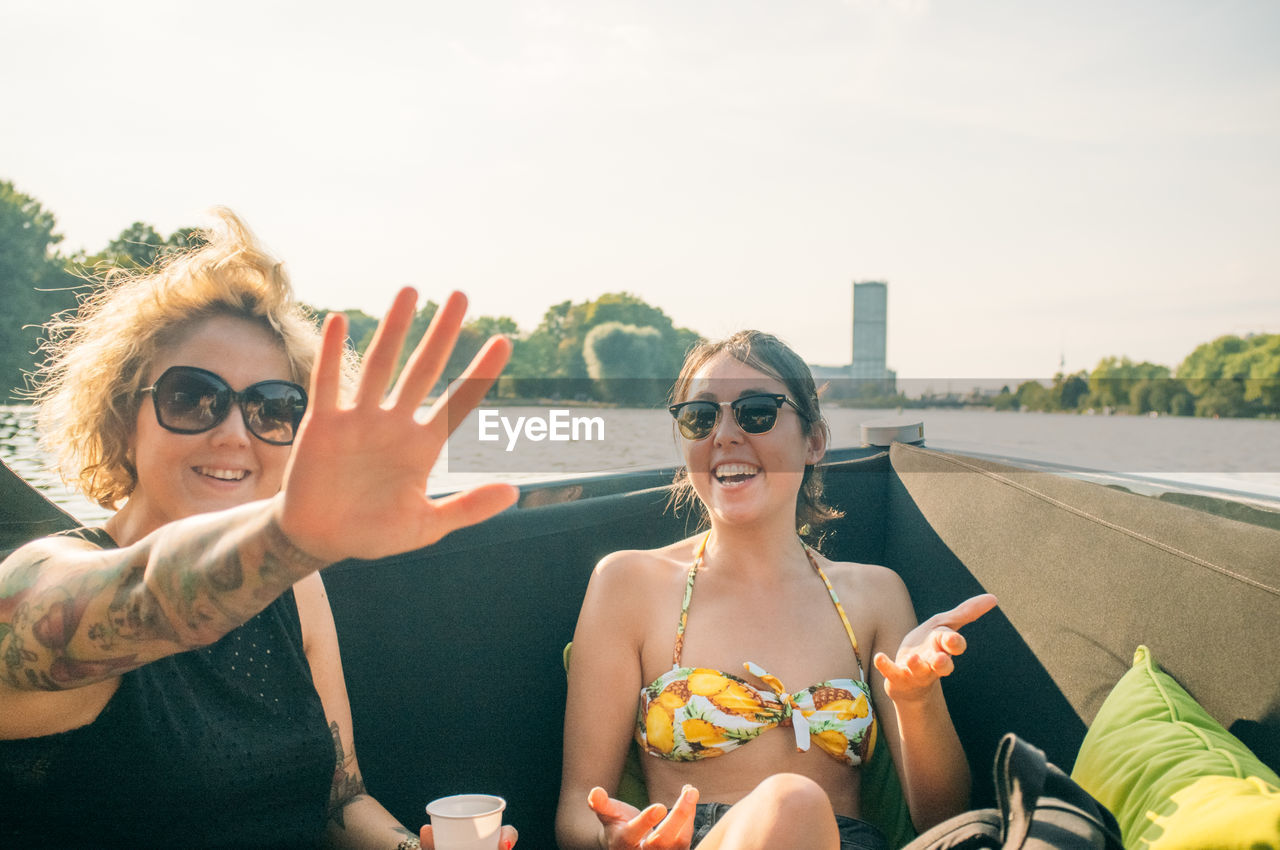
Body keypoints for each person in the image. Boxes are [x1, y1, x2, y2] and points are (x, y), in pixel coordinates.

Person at [0, 209, 519, 850]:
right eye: (192, 396)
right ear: (121, 411)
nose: (233, 434)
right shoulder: (41, 578)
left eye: (272, 408)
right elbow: (143, 596)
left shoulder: (295, 587)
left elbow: (341, 798)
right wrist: (292, 537)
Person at [556, 330, 997, 850]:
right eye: (700, 416)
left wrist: (916, 700)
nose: (723, 434)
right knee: (791, 801)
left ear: (813, 442)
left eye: (757, 411)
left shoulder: (874, 595)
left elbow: (942, 818)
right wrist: (616, 840)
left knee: (794, 805)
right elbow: (577, 808)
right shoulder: (627, 584)